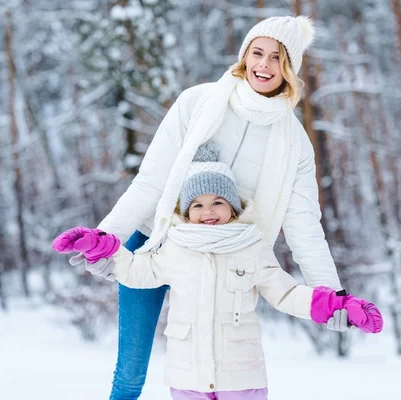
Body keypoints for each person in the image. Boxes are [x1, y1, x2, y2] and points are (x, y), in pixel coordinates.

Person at [70, 15, 353, 400]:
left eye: (277, 57)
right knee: (131, 371)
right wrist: (108, 237)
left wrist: (330, 293)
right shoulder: (198, 103)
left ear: (290, 67)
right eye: (257, 53)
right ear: (244, 55)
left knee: (221, 375)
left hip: (231, 259)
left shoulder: (294, 142)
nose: (264, 65)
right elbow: (151, 180)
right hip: (158, 243)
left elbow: (304, 224)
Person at [52, 143, 383, 399]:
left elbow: (286, 293)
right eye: (197, 204)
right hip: (187, 378)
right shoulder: (175, 246)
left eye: (217, 202)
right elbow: (140, 271)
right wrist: (102, 248)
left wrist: (336, 305)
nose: (207, 211)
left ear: (233, 206)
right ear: (186, 210)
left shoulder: (251, 246)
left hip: (241, 378)